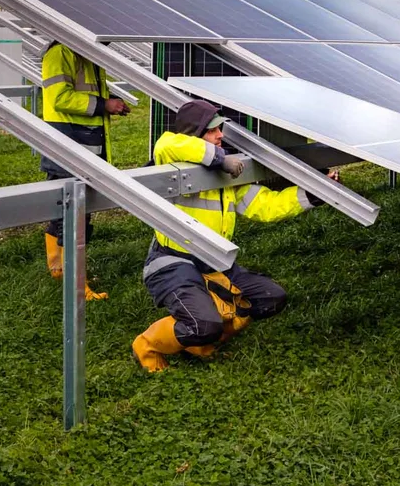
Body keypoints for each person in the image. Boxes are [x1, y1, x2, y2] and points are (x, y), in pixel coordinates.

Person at [132, 99, 334, 372]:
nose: (220, 136)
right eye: (212, 130)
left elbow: (264, 205)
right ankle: (147, 345)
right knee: (203, 323)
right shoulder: (171, 159)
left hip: (215, 263)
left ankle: (202, 341)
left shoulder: (226, 175)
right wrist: (218, 158)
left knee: (269, 298)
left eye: (220, 129)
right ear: (194, 134)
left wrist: (309, 196)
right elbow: (168, 142)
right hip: (173, 262)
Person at [40, 41, 130, 301]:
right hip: (67, 147)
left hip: (83, 146)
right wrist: (105, 105)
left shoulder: (84, 52)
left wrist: (109, 103)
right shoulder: (61, 53)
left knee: (67, 213)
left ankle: (59, 269)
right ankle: (77, 284)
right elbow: (60, 98)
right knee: (74, 217)